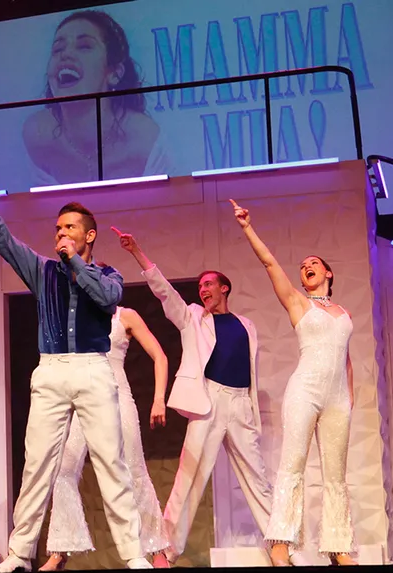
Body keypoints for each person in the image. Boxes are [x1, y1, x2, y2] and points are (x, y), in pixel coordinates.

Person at [0, 165, 151, 571]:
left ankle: (133, 554)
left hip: (93, 369)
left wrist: (75, 264)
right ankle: (19, 553)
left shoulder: (108, 274)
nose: (60, 234)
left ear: (89, 235)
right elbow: (2, 239)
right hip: (50, 370)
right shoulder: (42, 269)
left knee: (111, 462)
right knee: (37, 463)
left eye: (69, 228)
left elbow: (107, 300)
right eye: (57, 229)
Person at [111, 226, 273, 565]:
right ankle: (167, 550)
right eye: (200, 287)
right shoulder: (193, 317)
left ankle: (279, 543)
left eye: (209, 284)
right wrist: (137, 252)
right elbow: (165, 292)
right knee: (189, 478)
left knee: (258, 476)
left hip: (240, 404)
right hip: (208, 402)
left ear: (224, 288)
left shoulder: (247, 325)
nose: (203, 290)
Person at [229, 200, 356, 566]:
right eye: (302, 266)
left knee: (336, 476)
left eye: (313, 263)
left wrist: (349, 399)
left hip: (338, 399)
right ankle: (281, 542)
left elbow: (346, 359)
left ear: (328, 272)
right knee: (293, 465)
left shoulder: (344, 313)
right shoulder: (299, 303)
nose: (306, 267)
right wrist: (247, 227)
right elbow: (270, 263)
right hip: (305, 391)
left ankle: (338, 547)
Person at [41, 306, 170, 570]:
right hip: (84, 401)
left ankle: (156, 547)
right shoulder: (76, 316)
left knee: (134, 470)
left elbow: (160, 356)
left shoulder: (126, 316)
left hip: (117, 398)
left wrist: (159, 399)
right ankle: (61, 547)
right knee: (63, 469)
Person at [23, 9, 170, 186]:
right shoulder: (36, 135)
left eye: (84, 46)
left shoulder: (147, 141)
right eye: (58, 49)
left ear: (114, 73)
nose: (65, 54)